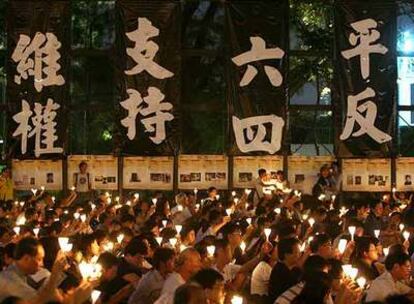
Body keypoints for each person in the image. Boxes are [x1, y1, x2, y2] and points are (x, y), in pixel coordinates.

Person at [268, 238, 302, 302]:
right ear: (287, 255)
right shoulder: (280, 271)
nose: (300, 254)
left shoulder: (294, 269)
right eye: (297, 252)